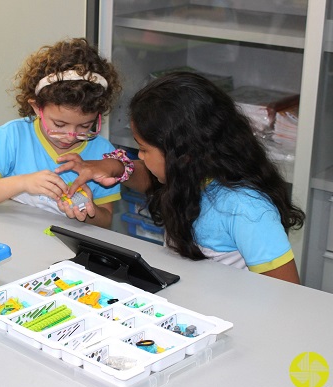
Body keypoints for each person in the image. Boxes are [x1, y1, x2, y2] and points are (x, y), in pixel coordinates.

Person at [56, 72, 305, 283]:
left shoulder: (247, 209)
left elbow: (286, 295)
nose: (140, 157)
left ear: (181, 154)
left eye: (144, 149)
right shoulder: (191, 174)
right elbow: (148, 177)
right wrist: (115, 168)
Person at [0, 38, 122, 229]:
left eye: (85, 126)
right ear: (36, 107)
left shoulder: (103, 154)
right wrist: (24, 182)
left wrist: (88, 211)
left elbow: (105, 222)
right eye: (59, 124)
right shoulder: (13, 136)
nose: (70, 135)